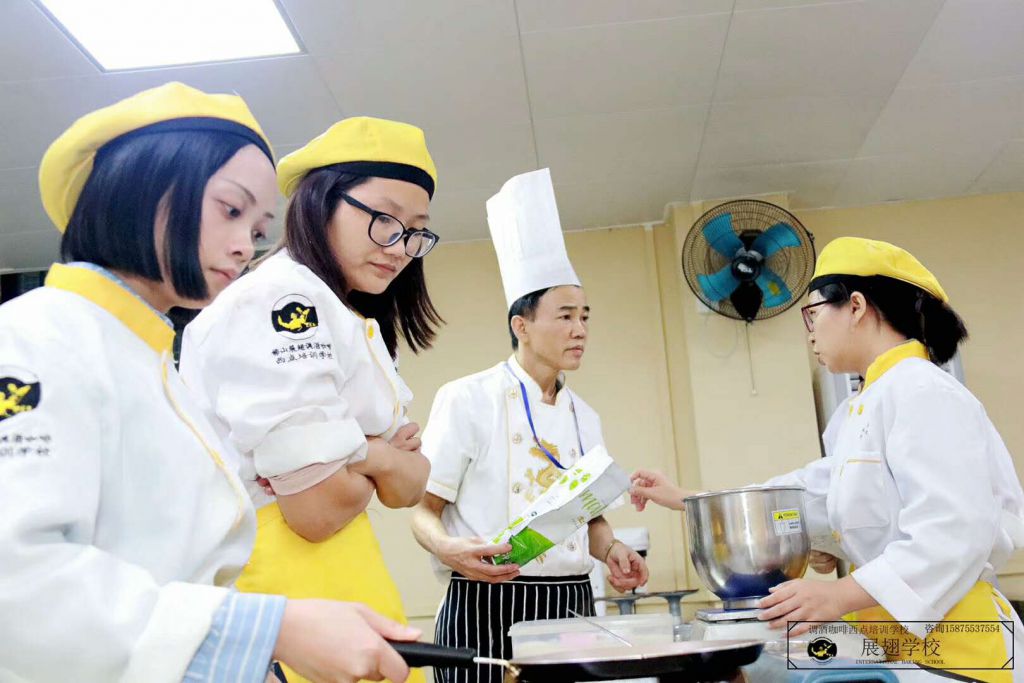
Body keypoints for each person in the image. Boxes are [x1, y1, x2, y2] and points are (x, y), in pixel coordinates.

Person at [0, 82, 421, 683]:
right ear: (140, 190)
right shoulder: (33, 339)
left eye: (257, 228)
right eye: (230, 210)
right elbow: (16, 577)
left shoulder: (151, 366)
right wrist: (269, 630)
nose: (244, 247)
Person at [630, 237, 1024, 682]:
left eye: (813, 314)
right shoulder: (860, 409)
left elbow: (953, 531)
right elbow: (806, 494)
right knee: (761, 667)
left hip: (958, 646)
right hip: (890, 636)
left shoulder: (923, 390)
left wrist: (839, 595)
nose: (811, 332)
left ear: (855, 306)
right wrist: (687, 499)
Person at [180, 116, 440, 683]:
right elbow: (316, 510)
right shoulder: (282, 301)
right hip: (284, 582)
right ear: (320, 202)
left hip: (342, 570)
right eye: (385, 219)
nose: (401, 247)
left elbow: (412, 485)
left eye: (416, 231)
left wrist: (359, 456)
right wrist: (381, 453)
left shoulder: (344, 313)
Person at [411, 169, 648, 683]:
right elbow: (422, 511)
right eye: (565, 316)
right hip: (485, 601)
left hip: (571, 603)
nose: (580, 330)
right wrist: (449, 549)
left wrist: (613, 550)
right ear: (521, 325)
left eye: (585, 316)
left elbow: (589, 520)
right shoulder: (467, 398)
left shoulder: (585, 416)